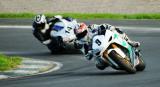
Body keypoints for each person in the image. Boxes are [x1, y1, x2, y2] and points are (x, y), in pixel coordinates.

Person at [74, 23, 140, 70]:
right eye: (80, 35)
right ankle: (113, 62)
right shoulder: (80, 42)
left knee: (117, 31)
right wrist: (89, 54)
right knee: (99, 65)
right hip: (98, 51)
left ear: (86, 29)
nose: (82, 35)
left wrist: (110, 28)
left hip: (105, 39)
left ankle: (130, 42)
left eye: (83, 33)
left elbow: (104, 25)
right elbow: (87, 56)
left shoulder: (92, 27)